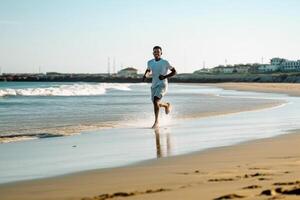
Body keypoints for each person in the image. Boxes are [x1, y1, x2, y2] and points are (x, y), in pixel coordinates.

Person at [143, 46, 177, 128]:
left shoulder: (165, 62)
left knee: (155, 100)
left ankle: (156, 122)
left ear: (161, 53)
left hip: (162, 85)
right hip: (154, 85)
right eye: (155, 52)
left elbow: (174, 71)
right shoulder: (150, 62)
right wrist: (145, 75)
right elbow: (148, 70)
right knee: (155, 103)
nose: (156, 53)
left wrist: (164, 77)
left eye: (158, 52)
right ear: (153, 53)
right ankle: (166, 105)